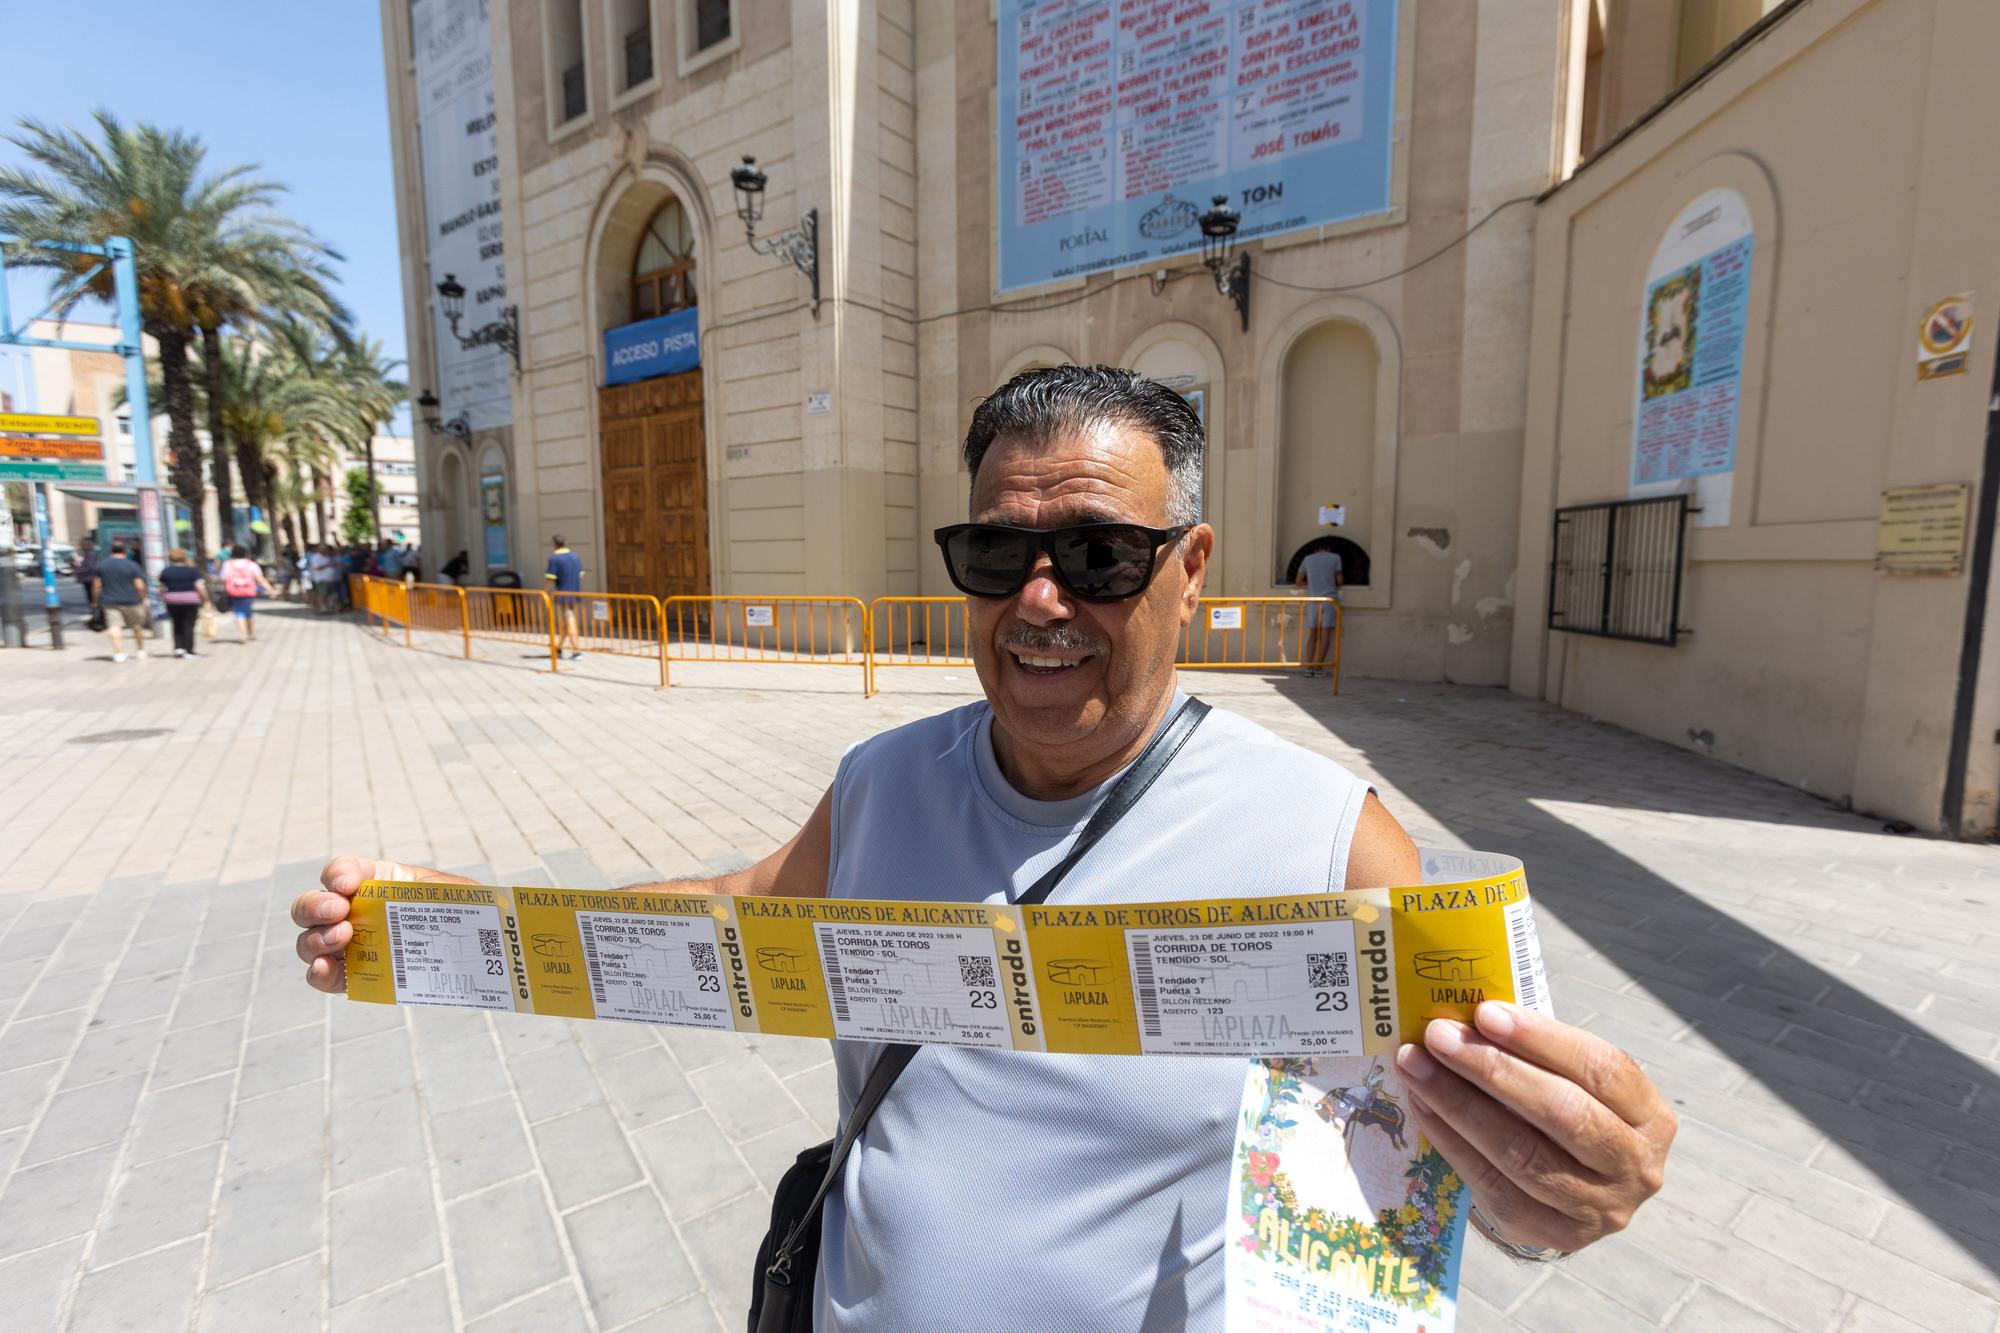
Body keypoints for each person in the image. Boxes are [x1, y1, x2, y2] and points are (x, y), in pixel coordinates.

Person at [292, 366, 1674, 1329]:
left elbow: (1480, 1165)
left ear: (1192, 569)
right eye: (995, 555)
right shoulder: (885, 781)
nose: (1040, 599)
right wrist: (440, 928)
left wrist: (1569, 1183)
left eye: (1100, 556)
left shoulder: (1334, 846)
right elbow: (733, 916)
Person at [92, 539, 149, 662]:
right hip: (132, 600)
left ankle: (119, 653)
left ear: (111, 550)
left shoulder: (102, 565)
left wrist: (95, 600)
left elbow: (96, 586)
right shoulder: (132, 565)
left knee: (114, 626)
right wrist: (143, 598)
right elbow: (140, 586)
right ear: (125, 550)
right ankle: (140, 650)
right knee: (137, 626)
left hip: (110, 601)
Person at [1294, 544, 1345, 678]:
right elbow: (1340, 580)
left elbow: (1298, 581)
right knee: (1325, 633)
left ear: (1315, 549)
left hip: (1313, 599)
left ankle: (1308, 668)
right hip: (1329, 599)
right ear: (1328, 548)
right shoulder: (1336, 557)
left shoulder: (1307, 559)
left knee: (1312, 634)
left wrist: (1311, 583)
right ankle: (1318, 667)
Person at [219, 544, 277, 642]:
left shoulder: (227, 564)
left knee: (238, 612)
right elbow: (259, 578)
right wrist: (270, 589)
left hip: (234, 591)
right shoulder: (251, 564)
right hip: (248, 592)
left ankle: (241, 635)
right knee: (247, 612)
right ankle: (250, 633)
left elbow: (223, 579)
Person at [157, 548, 208, 658]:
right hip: (190, 600)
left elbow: (161, 587)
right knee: (189, 625)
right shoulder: (192, 571)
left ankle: (178, 648)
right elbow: (200, 586)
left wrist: (163, 598)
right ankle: (189, 650)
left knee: (176, 624)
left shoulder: (166, 571)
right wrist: (205, 599)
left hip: (172, 600)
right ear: (184, 557)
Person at [544, 534, 585, 661]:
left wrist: (544, 593)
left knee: (570, 620)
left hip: (563, 595)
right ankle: (559, 648)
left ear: (554, 544)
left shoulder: (554, 559)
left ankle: (576, 650)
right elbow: (581, 574)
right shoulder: (575, 556)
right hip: (574, 593)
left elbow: (550, 579)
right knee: (566, 622)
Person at [308, 544, 339, 614]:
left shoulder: (327, 556)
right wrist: (328, 565)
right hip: (322, 579)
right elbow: (317, 567)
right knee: (322, 594)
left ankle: (327, 607)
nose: (326, 551)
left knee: (328, 594)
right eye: (325, 550)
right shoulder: (316, 557)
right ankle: (322, 608)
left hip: (329, 579)